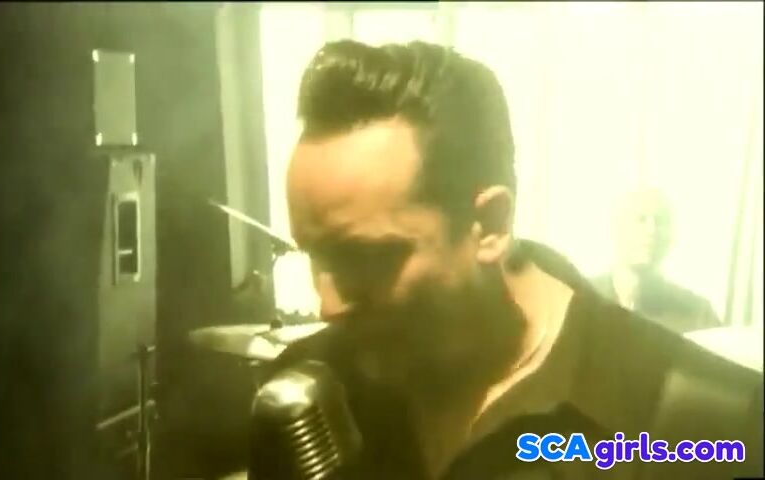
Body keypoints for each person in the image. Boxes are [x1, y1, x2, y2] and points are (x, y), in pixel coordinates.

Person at [261, 40, 762, 480]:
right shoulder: (306, 393)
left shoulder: (710, 426)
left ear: (490, 224)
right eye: (315, 256)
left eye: (366, 258)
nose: (328, 305)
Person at [591, 188, 722, 334]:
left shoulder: (698, 315)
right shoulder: (583, 300)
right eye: (641, 219)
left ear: (671, 237)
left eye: (660, 222)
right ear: (617, 229)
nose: (651, 230)